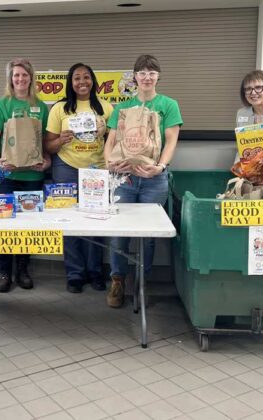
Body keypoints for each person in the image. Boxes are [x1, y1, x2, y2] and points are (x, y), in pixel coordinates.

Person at [103, 54, 183, 308]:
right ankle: (118, 281)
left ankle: (142, 282)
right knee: (119, 232)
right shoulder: (122, 108)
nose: (147, 77)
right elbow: (111, 141)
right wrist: (109, 163)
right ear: (135, 77)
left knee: (147, 235)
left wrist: (160, 167)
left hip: (153, 180)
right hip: (124, 179)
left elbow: (171, 140)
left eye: (152, 72)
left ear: (158, 76)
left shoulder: (168, 105)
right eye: (142, 72)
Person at [45, 63, 114, 293]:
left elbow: (114, 143)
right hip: (65, 167)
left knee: (95, 221)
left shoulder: (106, 108)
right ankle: (74, 273)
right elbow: (48, 146)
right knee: (68, 220)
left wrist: (105, 133)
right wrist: (60, 141)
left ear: (93, 81)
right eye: (77, 78)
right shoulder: (59, 109)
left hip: (97, 169)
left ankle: (95, 271)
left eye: (86, 77)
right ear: (70, 83)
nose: (82, 82)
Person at [0, 58, 50, 293]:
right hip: (7, 175)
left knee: (27, 225)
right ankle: (4, 273)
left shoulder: (41, 106)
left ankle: (23, 270)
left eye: (24, 75)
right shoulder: (2, 104)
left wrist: (47, 160)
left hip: (32, 177)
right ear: (10, 79)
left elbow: (43, 140)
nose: (20, 79)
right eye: (16, 76)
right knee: (3, 224)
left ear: (31, 77)